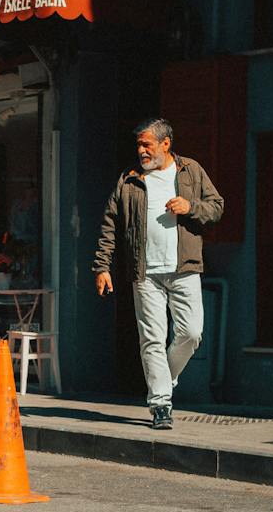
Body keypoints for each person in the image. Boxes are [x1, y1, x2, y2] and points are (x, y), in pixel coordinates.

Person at [93, 117, 224, 429]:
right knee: (151, 338)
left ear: (166, 144)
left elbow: (216, 207)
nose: (141, 150)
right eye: (139, 145)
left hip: (184, 268)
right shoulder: (129, 179)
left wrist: (190, 206)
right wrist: (102, 267)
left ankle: (165, 377)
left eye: (147, 144)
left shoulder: (190, 170)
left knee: (192, 333)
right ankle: (161, 403)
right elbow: (110, 224)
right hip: (145, 272)